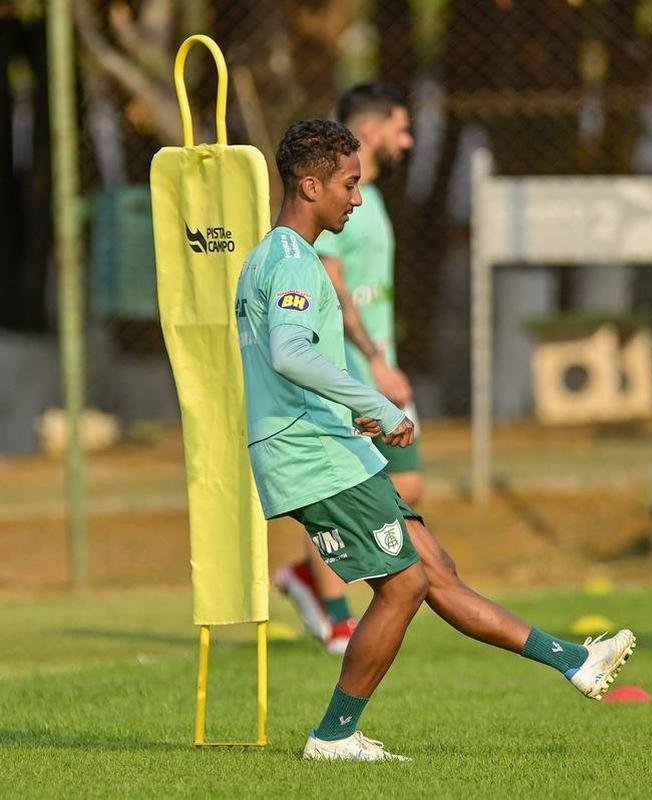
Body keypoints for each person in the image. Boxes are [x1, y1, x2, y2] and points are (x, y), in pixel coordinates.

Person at [235, 119, 636, 761]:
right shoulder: (288, 258)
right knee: (404, 587)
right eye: (348, 184)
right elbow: (290, 354)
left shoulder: (282, 257)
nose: (357, 198)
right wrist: (373, 401)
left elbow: (289, 363)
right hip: (311, 454)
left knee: (433, 568)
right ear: (309, 185)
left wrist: (350, 415)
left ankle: (573, 661)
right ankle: (333, 735)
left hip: (329, 443)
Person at [273, 83, 420, 655]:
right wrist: (375, 367)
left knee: (407, 494)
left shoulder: (368, 199)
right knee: (360, 497)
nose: (408, 140)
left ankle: (320, 583)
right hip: (355, 375)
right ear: (376, 127)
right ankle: (335, 610)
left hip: (378, 372)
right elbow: (326, 285)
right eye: (402, 127)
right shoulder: (301, 240)